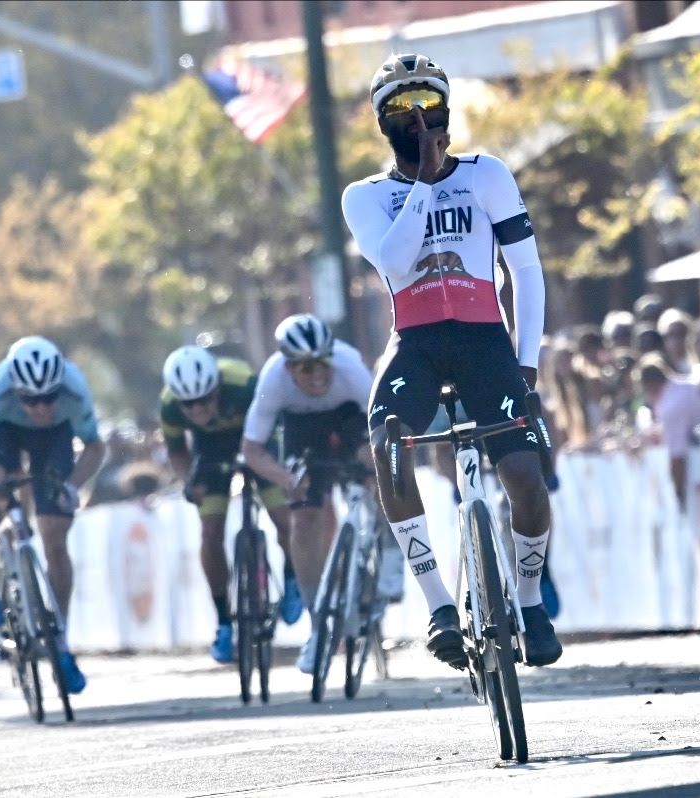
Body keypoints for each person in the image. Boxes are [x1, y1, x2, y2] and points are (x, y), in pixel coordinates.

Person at [341, 53, 562, 668]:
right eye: (400, 111)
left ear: (446, 111)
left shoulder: (487, 174)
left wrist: (528, 361)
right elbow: (396, 264)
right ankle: (439, 604)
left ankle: (529, 600)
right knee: (387, 439)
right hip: (414, 342)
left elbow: (524, 270)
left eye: (427, 106)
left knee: (526, 474)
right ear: (383, 123)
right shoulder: (366, 195)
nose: (416, 120)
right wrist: (426, 184)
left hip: (485, 339)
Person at [240, 314, 402, 674]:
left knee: (373, 472)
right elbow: (252, 449)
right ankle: (318, 624)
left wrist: (374, 465)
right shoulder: (274, 380)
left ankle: (389, 549)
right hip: (302, 429)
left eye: (323, 365)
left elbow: (386, 425)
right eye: (307, 369)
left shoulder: (350, 370)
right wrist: (285, 478)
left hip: (351, 419)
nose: (317, 377)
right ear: (288, 367)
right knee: (304, 517)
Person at [0, 336, 104, 694]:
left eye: (49, 398)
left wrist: (72, 485)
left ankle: (61, 640)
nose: (41, 407)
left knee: (55, 539)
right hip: (4, 433)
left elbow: (96, 447)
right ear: (16, 392)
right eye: (31, 400)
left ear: (59, 389)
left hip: (55, 439)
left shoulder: (75, 391)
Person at [159, 344, 297, 664]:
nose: (197, 411)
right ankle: (223, 621)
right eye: (188, 405)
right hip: (210, 451)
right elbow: (178, 452)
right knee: (210, 533)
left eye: (205, 400)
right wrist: (189, 482)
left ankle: (291, 578)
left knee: (284, 518)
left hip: (257, 440)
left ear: (218, 387)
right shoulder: (169, 404)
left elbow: (274, 423)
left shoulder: (244, 383)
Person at [634, 355, 700, 509]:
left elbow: (677, 457)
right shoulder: (681, 387)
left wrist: (679, 497)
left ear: (649, 386)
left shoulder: (672, 405)